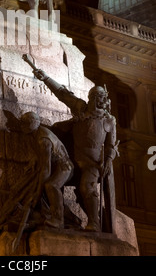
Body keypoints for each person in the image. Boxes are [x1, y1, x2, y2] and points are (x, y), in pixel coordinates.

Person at [32, 69, 118, 232]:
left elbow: (111, 145)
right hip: (72, 162)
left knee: (86, 188)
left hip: (92, 164)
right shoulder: (81, 109)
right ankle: (57, 219)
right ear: (91, 98)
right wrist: (46, 78)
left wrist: (108, 160)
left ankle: (94, 222)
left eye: (103, 97)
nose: (102, 100)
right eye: (98, 96)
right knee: (52, 184)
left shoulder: (109, 120)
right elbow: (62, 93)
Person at [17, 111, 73, 229]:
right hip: (55, 167)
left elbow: (46, 170)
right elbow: (41, 158)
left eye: (24, 124)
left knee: (50, 186)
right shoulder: (36, 134)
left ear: (31, 124)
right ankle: (51, 216)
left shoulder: (43, 140)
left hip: (64, 167)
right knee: (38, 186)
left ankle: (58, 220)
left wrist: (38, 192)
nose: (21, 126)